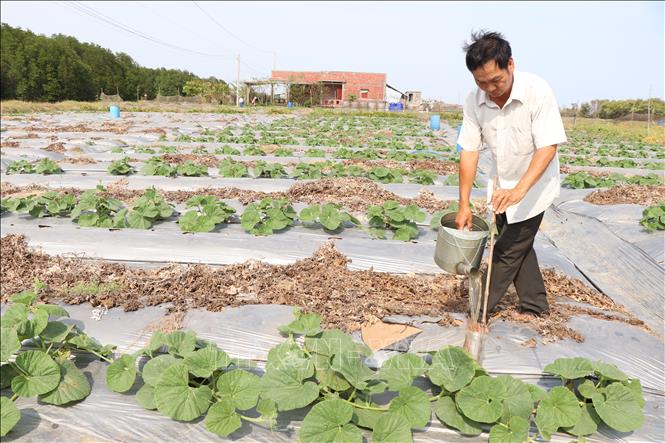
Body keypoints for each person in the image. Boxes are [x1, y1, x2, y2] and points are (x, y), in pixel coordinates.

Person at [455, 31, 567, 317]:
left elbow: (548, 146)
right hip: (502, 186)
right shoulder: (474, 100)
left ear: (511, 65)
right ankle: (535, 305)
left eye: (496, 80)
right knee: (520, 247)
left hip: (534, 186)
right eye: (482, 82)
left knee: (507, 250)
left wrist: (520, 190)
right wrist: (464, 204)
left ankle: (478, 311)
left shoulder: (537, 91)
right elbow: (468, 151)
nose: (490, 88)